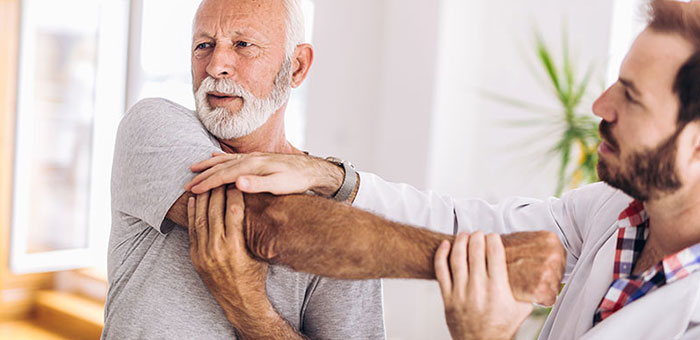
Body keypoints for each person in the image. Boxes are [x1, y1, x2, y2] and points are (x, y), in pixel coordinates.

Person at [182, 0, 700, 339]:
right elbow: (459, 222)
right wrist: (331, 178)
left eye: (631, 98)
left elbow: (272, 224)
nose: (600, 105)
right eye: (616, 82)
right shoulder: (615, 211)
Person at [102, 0, 387, 339]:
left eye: (243, 45)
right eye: (204, 46)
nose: (215, 66)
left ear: (296, 67)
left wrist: (251, 310)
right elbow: (261, 221)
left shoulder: (341, 213)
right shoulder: (153, 127)